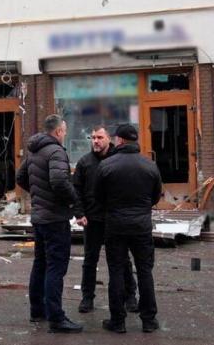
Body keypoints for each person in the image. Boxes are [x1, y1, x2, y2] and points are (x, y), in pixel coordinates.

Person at [16, 114, 87, 333]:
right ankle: (56, 318)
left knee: (41, 263)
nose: (65, 133)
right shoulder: (56, 151)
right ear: (58, 132)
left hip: (39, 217)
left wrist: (38, 194)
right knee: (56, 267)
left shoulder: (35, 151)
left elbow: (20, 177)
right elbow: (59, 181)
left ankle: (37, 310)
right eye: (64, 130)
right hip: (55, 218)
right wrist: (75, 202)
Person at [94, 124, 162, 334]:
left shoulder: (106, 165)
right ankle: (148, 320)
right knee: (145, 271)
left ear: (120, 140)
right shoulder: (149, 165)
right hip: (141, 226)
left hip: (115, 225)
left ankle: (118, 321)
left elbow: (98, 197)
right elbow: (155, 196)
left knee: (116, 271)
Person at [73, 125, 138, 314]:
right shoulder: (85, 162)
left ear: (109, 139)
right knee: (90, 260)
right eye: (93, 137)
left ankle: (130, 296)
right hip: (92, 219)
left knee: (122, 260)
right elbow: (76, 190)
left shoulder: (118, 160)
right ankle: (87, 298)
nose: (95, 141)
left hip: (114, 219)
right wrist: (79, 213)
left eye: (100, 137)